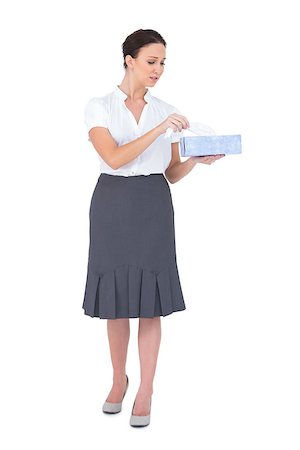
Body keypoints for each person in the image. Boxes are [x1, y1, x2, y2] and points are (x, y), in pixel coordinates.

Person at [82, 28, 225, 428]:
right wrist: (160, 131)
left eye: (163, 62)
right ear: (129, 59)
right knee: (114, 300)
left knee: (150, 302)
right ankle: (117, 380)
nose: (158, 69)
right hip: (111, 203)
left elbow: (171, 173)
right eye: (151, 61)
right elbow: (112, 157)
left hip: (153, 205)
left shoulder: (166, 109)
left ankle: (145, 390)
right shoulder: (100, 106)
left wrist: (196, 159)